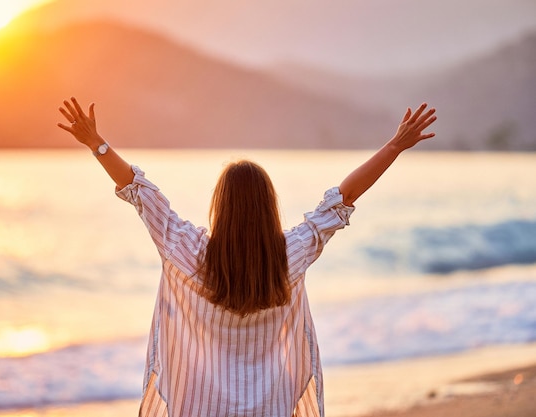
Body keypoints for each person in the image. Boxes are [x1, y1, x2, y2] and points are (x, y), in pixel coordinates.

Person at [58, 97, 436, 417]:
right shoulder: (290, 255)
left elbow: (138, 191)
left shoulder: (186, 248)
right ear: (269, 206)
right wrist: (393, 147)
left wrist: (97, 144)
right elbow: (343, 199)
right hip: (271, 406)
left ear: (220, 206)